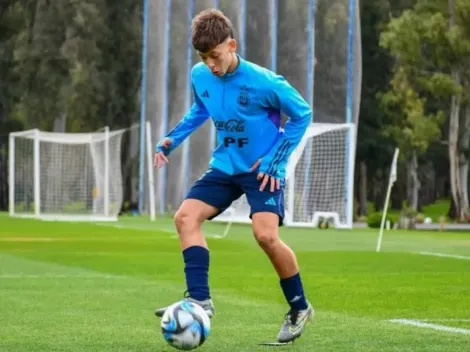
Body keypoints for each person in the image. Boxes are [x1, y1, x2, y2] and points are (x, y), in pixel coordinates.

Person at [153, 8, 313, 343]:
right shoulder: (201, 75)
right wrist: (172, 139)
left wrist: (276, 159)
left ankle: (299, 308)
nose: (210, 64)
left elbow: (302, 114)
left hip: (261, 170)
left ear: (232, 45)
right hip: (226, 165)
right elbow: (201, 108)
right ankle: (199, 299)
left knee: (265, 236)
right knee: (185, 218)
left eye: (215, 55)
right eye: (203, 57)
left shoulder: (265, 82)